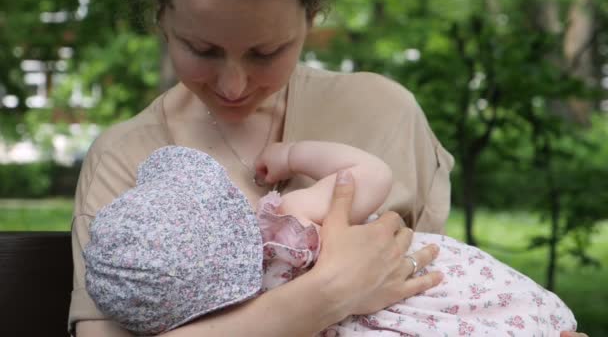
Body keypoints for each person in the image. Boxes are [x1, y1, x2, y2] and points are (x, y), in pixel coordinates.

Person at [68, 0, 588, 336]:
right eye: (200, 49)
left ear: (312, 17)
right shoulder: (124, 156)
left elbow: (435, 294)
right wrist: (329, 294)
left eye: (266, 52)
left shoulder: (381, 111)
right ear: (161, 19)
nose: (233, 85)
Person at [83, 142, 576, 336]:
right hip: (439, 286)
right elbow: (371, 175)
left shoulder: (225, 323)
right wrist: (293, 156)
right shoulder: (281, 222)